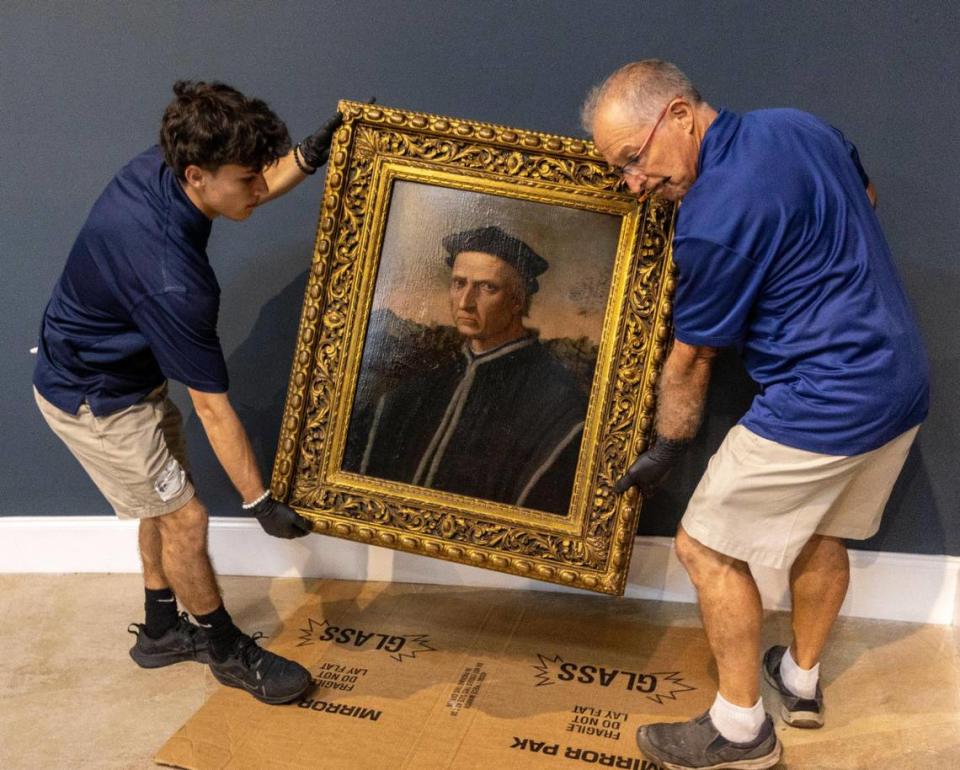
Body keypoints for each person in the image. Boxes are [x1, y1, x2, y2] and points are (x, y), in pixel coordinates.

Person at [582, 60, 928, 769]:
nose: (634, 184)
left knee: (703, 548)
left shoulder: (710, 221)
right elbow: (866, 193)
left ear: (679, 114)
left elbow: (694, 360)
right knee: (821, 528)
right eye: (622, 170)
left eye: (633, 160)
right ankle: (798, 682)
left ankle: (740, 732)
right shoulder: (795, 125)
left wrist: (668, 446)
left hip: (826, 396)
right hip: (899, 378)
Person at [33, 81, 342, 705]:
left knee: (162, 498)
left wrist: (309, 154)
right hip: (95, 398)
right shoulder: (174, 280)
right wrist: (260, 503)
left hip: (124, 373)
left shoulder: (165, 162)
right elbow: (211, 406)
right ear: (198, 175)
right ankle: (226, 650)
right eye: (246, 178)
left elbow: (247, 187)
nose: (259, 189)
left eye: (262, 173)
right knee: (186, 516)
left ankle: (159, 630)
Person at [344, 225, 586, 515]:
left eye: (487, 287)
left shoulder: (558, 402)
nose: (465, 302)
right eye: (459, 283)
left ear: (516, 301)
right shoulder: (416, 390)